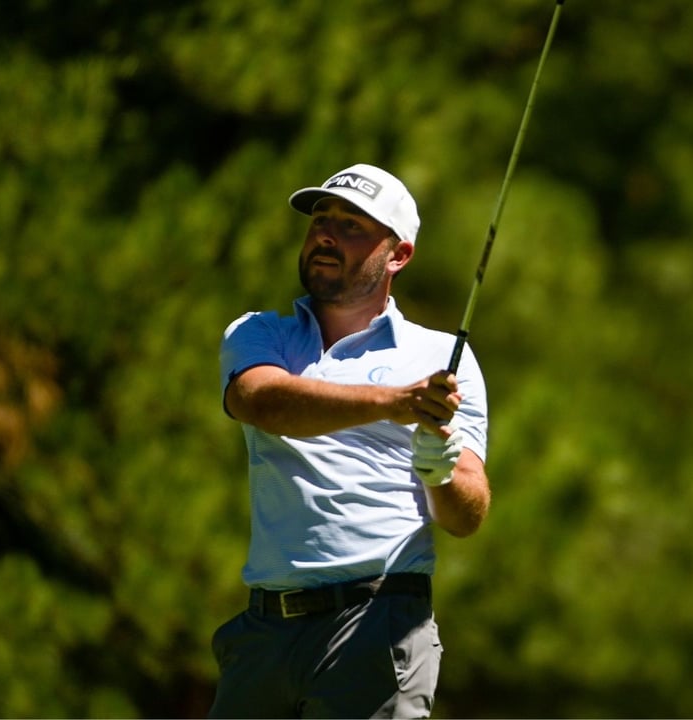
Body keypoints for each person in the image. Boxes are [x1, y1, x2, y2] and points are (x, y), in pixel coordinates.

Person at [209, 163, 491, 719]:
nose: (326, 235)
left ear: (398, 255)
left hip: (377, 625)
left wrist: (442, 472)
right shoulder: (259, 333)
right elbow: (263, 403)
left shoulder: (439, 358)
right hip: (265, 631)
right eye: (320, 219)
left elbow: (467, 514)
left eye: (353, 225)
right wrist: (395, 404)